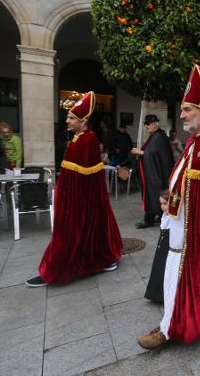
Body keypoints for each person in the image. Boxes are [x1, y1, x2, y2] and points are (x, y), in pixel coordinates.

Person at [136, 64, 200, 349]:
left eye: (188, 110)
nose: (181, 115)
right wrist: (170, 197)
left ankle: (169, 327)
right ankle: (173, 319)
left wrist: (180, 202)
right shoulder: (195, 138)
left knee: (185, 273)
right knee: (173, 271)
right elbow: (185, 177)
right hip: (182, 221)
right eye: (182, 110)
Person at [26, 91, 123, 287]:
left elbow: (84, 176)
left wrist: (71, 200)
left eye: (71, 118)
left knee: (73, 233)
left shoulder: (88, 139)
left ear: (84, 120)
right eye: (68, 117)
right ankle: (98, 260)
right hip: (77, 199)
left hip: (80, 199)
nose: (67, 121)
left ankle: (55, 270)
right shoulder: (79, 137)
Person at [132, 114, 174, 229]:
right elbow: (156, 153)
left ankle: (149, 219)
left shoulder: (158, 137)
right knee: (155, 194)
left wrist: (141, 153)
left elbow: (156, 154)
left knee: (153, 194)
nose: (146, 126)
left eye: (148, 124)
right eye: (145, 124)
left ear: (155, 124)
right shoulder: (157, 135)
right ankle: (159, 216)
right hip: (157, 172)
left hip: (157, 173)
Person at [144, 189, 171, 303]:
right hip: (162, 248)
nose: (162, 207)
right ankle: (156, 293)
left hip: (169, 249)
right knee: (160, 267)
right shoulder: (166, 216)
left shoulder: (174, 219)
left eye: (165, 204)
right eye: (161, 204)